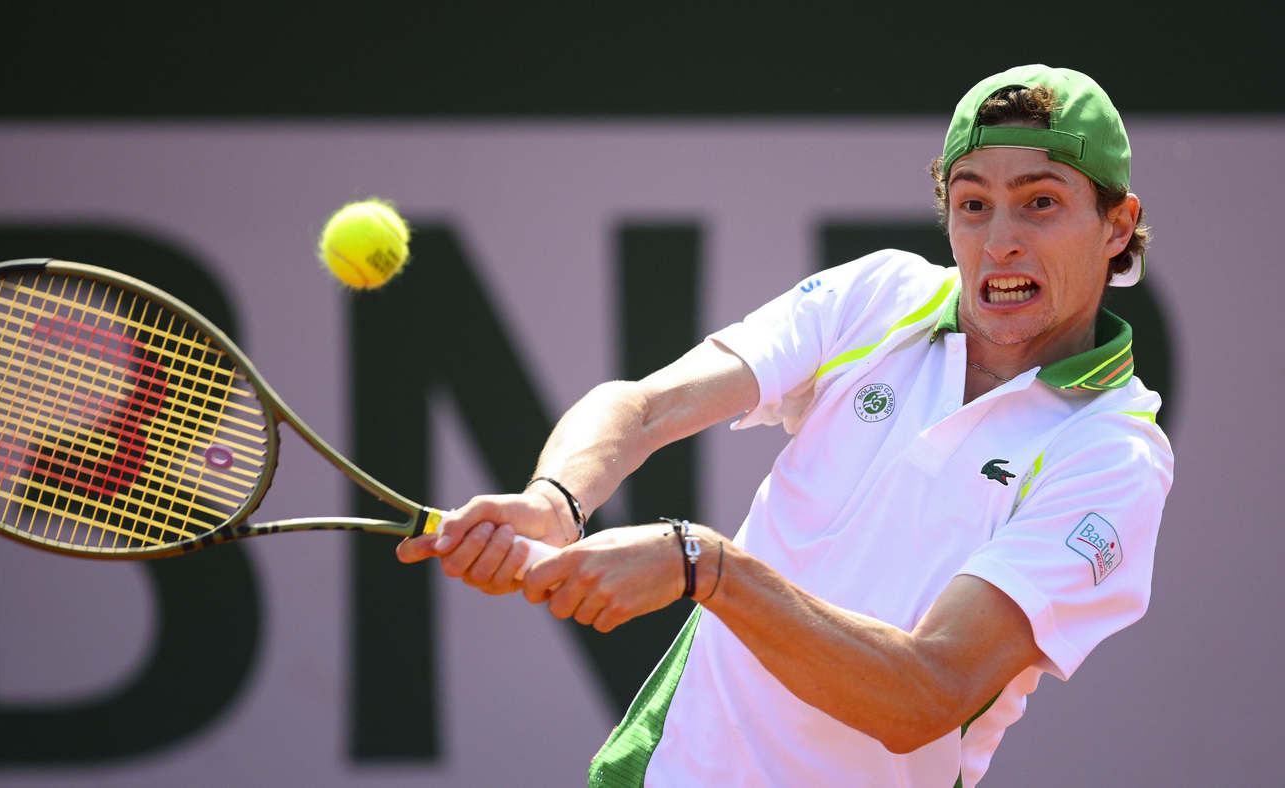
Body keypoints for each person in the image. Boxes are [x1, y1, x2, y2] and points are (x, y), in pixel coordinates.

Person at [397, 64, 1173, 787]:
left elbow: (926, 692)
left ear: (1117, 224)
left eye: (1040, 202)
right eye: (973, 204)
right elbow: (643, 407)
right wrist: (555, 498)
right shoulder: (881, 295)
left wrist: (707, 567)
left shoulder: (1113, 454)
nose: (999, 240)